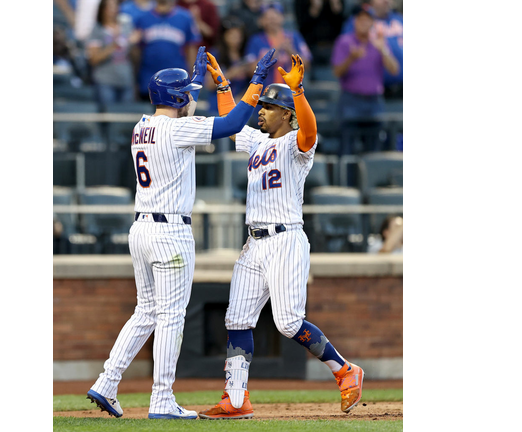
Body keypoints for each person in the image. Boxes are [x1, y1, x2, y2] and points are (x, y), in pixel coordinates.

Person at [86, 47, 280, 420]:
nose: (192, 97)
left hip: (141, 228)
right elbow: (233, 124)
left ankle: (107, 382)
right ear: (176, 98)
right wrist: (255, 82)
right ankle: (161, 399)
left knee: (145, 311)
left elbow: (198, 115)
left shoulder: (142, 125)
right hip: (169, 232)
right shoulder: (177, 128)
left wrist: (203, 80)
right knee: (172, 316)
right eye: (188, 93)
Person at [197, 53, 365, 419]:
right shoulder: (257, 142)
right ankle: (236, 399)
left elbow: (310, 131)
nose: (262, 110)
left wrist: (298, 92)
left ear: (286, 113)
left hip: (285, 239)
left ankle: (344, 369)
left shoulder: (296, 145)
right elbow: (232, 120)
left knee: (288, 322)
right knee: (237, 319)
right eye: (264, 105)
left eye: (270, 107)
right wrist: (224, 85)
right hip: (254, 242)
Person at [331, 3, 398, 155]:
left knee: (374, 151)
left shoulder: (378, 43)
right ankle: (346, 179)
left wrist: (383, 50)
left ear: (373, 23)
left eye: (368, 20)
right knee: (347, 150)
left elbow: (394, 70)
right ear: (355, 21)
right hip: (351, 101)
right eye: (361, 19)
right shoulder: (344, 41)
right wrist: (351, 58)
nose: (364, 23)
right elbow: (337, 72)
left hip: (374, 102)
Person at [131, 0, 202, 101]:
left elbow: (191, 48)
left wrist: (193, 77)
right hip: (148, 76)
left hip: (177, 78)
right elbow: (137, 51)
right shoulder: (143, 18)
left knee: (175, 113)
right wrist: (136, 78)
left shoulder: (185, 17)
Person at [340, 0, 403, 98]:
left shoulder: (399, 19)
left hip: (401, 88)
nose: (386, 1)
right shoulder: (358, 20)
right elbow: (345, 51)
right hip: (369, 92)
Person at [243, 2, 312, 90]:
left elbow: (307, 65)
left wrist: (290, 50)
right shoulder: (255, 40)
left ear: (282, 18)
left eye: (275, 16)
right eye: (267, 17)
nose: (272, 20)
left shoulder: (294, 37)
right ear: (261, 20)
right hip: (263, 93)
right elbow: (250, 70)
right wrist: (274, 52)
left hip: (290, 93)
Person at [86, 0, 138, 107]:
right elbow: (93, 59)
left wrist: (134, 43)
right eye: (110, 7)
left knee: (126, 119)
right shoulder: (97, 29)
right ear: (102, 9)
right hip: (105, 81)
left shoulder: (126, 26)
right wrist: (115, 44)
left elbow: (133, 56)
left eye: (115, 6)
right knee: (108, 117)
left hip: (126, 80)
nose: (114, 10)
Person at [294, 0, 344, 66]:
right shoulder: (301, 2)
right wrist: (315, 8)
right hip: (311, 47)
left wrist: (335, 5)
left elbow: (342, 26)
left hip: (333, 47)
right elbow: (302, 26)